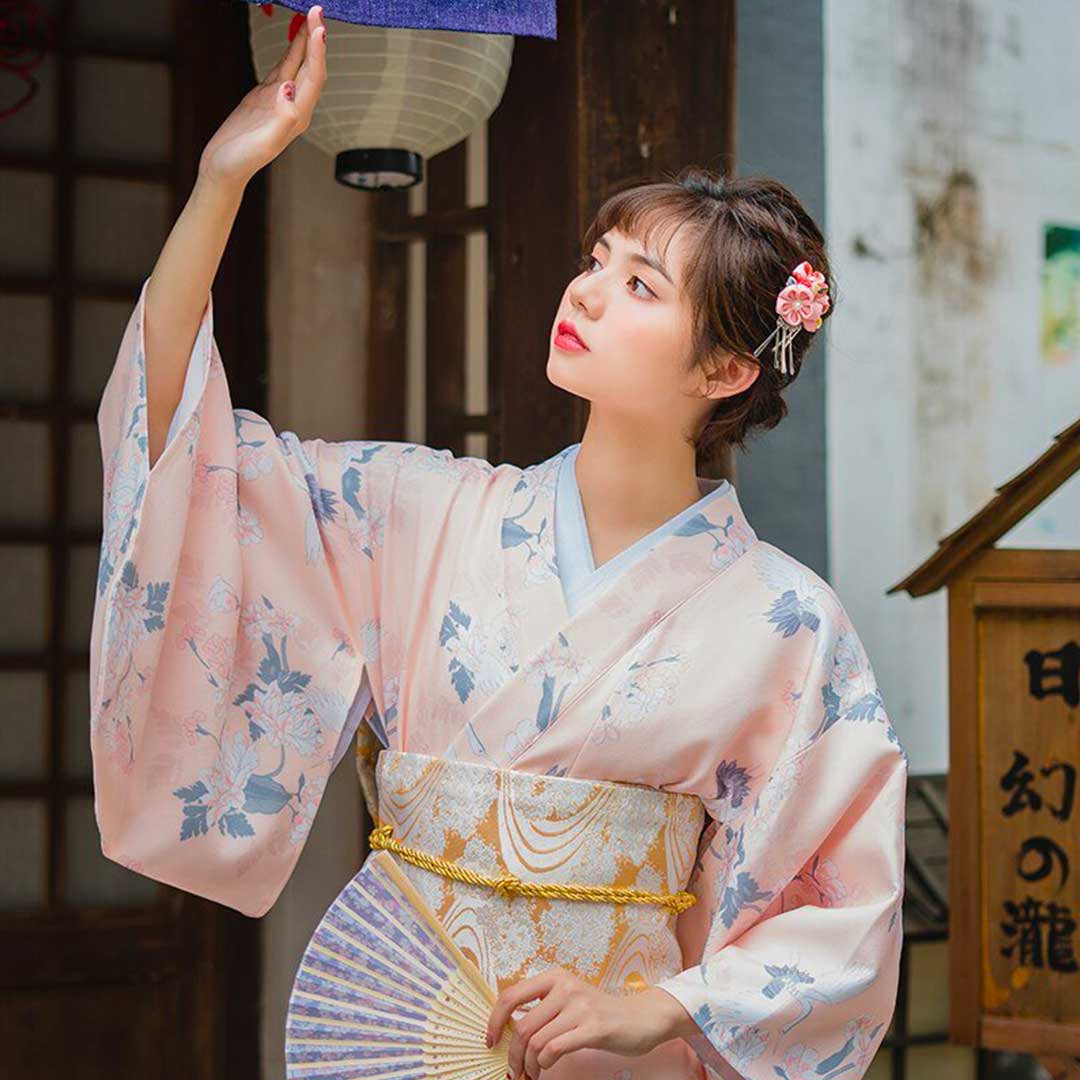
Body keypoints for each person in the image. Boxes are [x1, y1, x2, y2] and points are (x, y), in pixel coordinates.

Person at [89, 5, 908, 1078]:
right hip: (400, 1033)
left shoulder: (787, 620)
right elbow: (185, 463)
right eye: (596, 260)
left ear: (726, 370)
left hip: (611, 1055)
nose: (586, 291)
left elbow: (839, 910)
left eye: (639, 285)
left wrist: (658, 1006)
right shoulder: (420, 514)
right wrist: (221, 182)